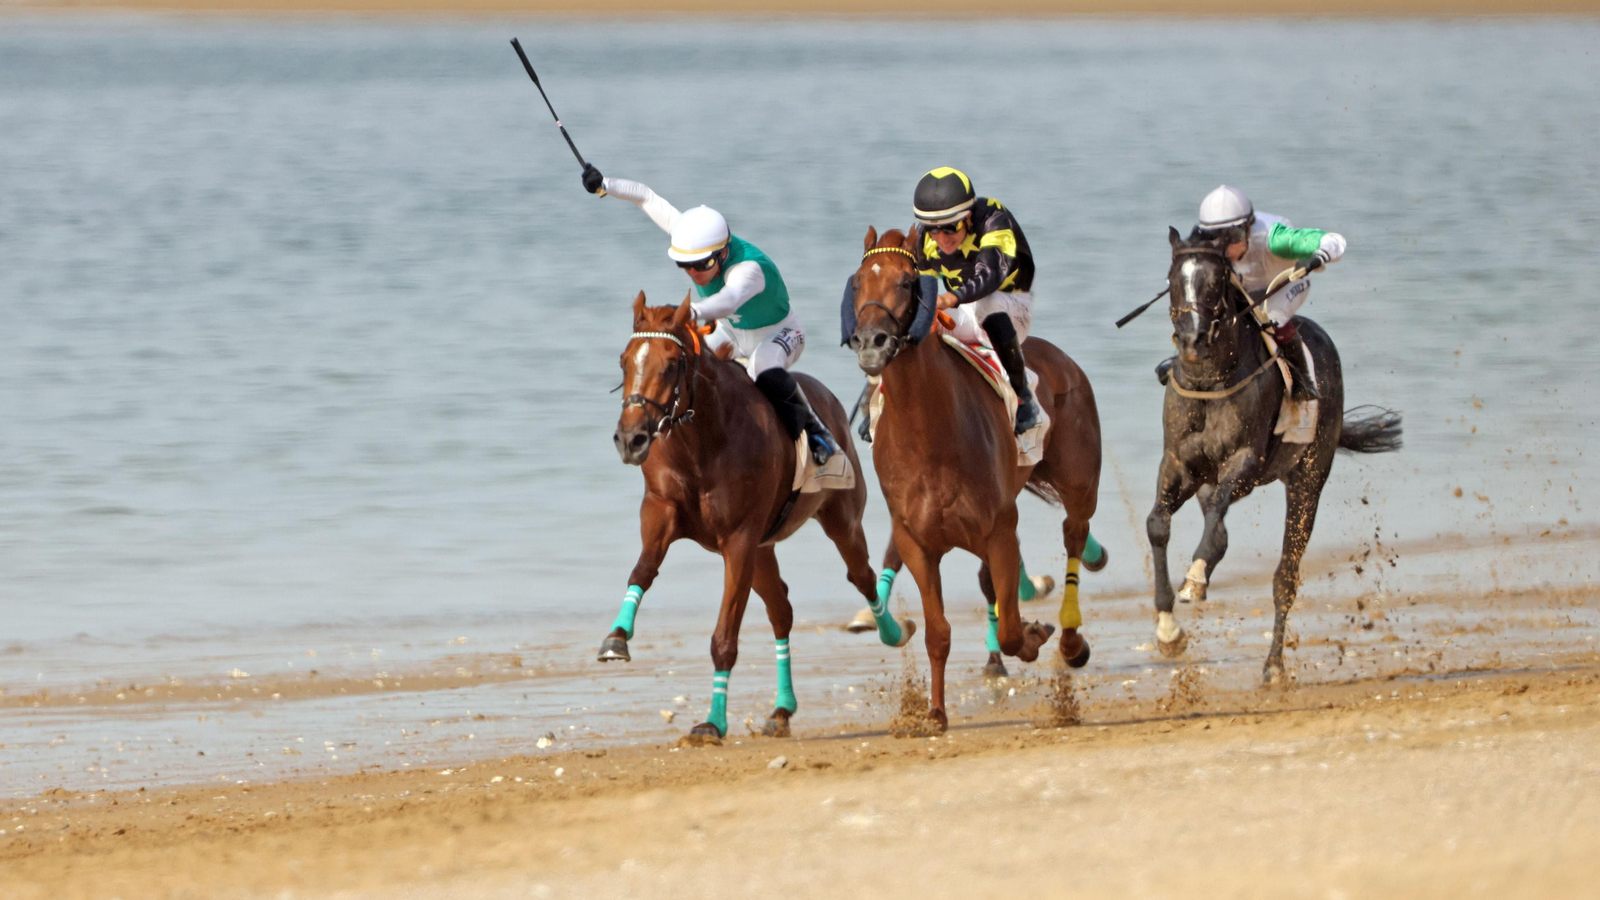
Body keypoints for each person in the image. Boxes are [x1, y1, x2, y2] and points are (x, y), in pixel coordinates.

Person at [581, 163, 840, 466]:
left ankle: (816, 432)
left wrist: (691, 311)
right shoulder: (691, 236)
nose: (693, 272)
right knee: (688, 364)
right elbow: (646, 197)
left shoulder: (750, 269)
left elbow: (729, 300)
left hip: (777, 333)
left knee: (763, 367)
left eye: (701, 265)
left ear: (723, 253)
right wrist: (604, 185)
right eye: (684, 265)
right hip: (729, 330)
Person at [1158, 185, 1347, 400]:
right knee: (1206, 311)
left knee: (1271, 317)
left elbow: (1333, 239)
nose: (1225, 247)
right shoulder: (1209, 246)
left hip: (1285, 284)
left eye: (1233, 236)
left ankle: (1303, 379)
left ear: (1249, 229)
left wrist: (1321, 254)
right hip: (1244, 287)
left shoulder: (1275, 239)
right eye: (1215, 237)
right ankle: (1182, 360)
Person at [912, 167, 1044, 435]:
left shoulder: (994, 219)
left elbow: (990, 276)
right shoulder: (924, 237)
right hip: (963, 310)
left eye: (951, 227)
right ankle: (877, 402)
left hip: (1011, 304)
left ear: (969, 217)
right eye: (934, 230)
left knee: (987, 305)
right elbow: (924, 289)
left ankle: (1024, 395)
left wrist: (949, 298)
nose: (942, 239)